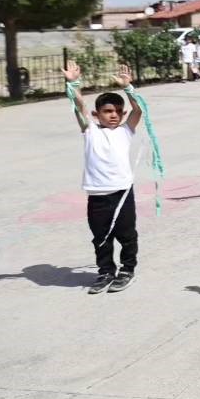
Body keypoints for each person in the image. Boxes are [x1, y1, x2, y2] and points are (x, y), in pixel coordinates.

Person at [63, 61, 142, 294]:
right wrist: (72, 83)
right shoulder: (90, 130)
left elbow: (138, 110)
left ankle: (127, 270)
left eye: (118, 111)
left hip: (122, 193)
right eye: (108, 111)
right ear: (97, 114)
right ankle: (106, 271)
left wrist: (128, 88)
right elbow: (79, 106)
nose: (114, 115)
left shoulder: (126, 130)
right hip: (97, 195)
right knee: (101, 237)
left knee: (127, 235)